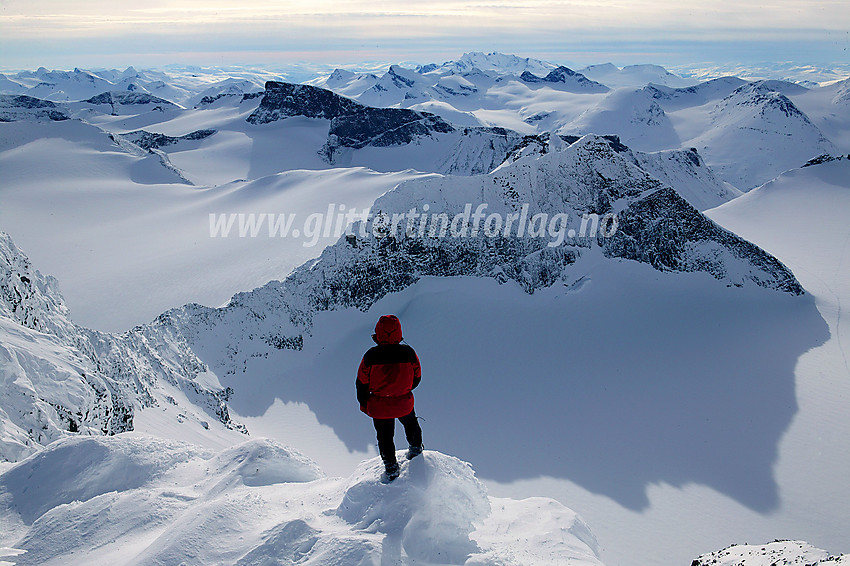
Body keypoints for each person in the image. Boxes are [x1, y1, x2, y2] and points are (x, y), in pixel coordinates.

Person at [356, 314, 424, 481]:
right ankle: (416, 449)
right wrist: (404, 390)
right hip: (404, 402)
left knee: (385, 436)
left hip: (379, 406)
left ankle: (391, 468)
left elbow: (361, 383)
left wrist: (365, 404)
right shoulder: (408, 353)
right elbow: (417, 377)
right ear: (399, 331)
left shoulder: (370, 356)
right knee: (411, 424)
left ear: (378, 332)